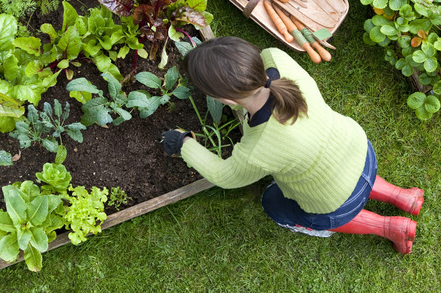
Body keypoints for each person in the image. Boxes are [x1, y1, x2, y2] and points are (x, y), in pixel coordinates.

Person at [161, 36, 424, 253]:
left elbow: (224, 175)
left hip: (334, 200)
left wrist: (183, 143)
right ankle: (403, 197)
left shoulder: (259, 149)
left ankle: (389, 227)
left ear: (225, 99)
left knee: (273, 203)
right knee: (344, 173)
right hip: (359, 150)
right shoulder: (276, 58)